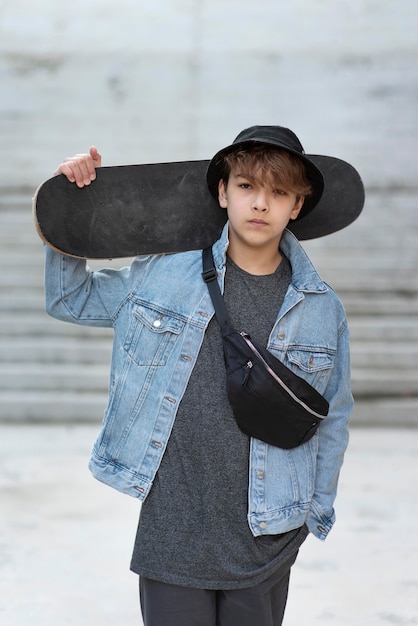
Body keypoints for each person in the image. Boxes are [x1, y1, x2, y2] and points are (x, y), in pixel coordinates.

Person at [45, 125, 355, 626]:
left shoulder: (321, 307)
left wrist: (311, 513)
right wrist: (72, 211)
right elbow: (70, 298)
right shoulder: (165, 274)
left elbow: (333, 414)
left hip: (267, 536)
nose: (260, 204)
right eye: (247, 187)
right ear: (222, 192)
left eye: (278, 193)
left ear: (296, 207)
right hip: (173, 532)